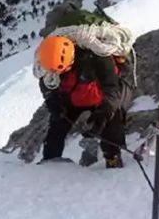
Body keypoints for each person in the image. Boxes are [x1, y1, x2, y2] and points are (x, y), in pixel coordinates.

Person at [36, 35, 132, 168]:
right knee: (57, 125)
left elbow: (112, 90)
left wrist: (104, 112)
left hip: (101, 98)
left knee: (112, 125)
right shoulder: (48, 65)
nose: (58, 74)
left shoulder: (100, 58)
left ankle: (113, 158)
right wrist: (52, 100)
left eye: (63, 70)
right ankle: (50, 159)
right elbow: (46, 84)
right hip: (74, 98)